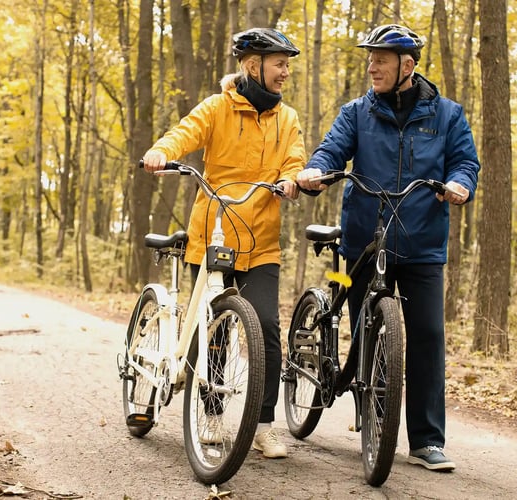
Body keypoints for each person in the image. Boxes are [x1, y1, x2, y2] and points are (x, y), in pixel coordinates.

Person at [296, 24, 480, 472]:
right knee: (366, 331)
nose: (372, 66)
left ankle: (426, 440)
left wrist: (460, 183)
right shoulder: (357, 112)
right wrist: (317, 171)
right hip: (364, 240)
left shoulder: (448, 116)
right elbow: (332, 150)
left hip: (422, 244)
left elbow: (465, 162)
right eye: (370, 57)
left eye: (381, 58)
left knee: (427, 337)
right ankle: (375, 419)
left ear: (407, 66)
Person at [142, 27, 306, 459]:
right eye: (280, 64)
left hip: (262, 238)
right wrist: (161, 152)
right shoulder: (217, 108)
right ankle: (211, 415)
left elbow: (295, 158)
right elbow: (184, 132)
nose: (286, 72)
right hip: (213, 235)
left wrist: (291, 180)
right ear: (254, 66)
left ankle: (264, 424)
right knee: (212, 332)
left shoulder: (286, 118)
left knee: (267, 329)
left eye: (287, 64)